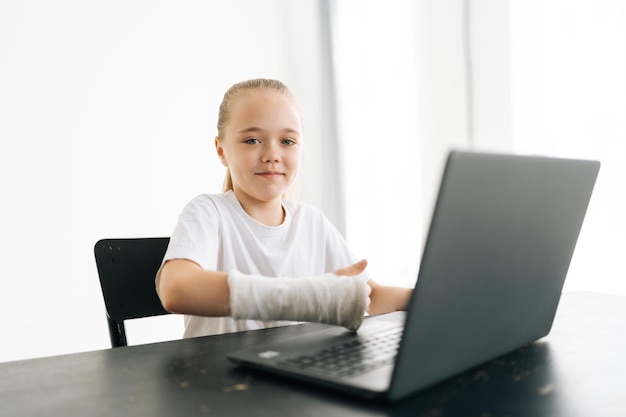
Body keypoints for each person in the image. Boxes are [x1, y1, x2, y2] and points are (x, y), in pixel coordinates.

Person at [156, 78, 412, 338]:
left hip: (293, 369)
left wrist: (435, 298)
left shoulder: (312, 222)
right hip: (220, 375)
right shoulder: (208, 213)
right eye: (252, 140)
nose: (271, 154)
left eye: (287, 142)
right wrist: (307, 296)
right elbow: (175, 288)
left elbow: (371, 296)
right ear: (221, 151)